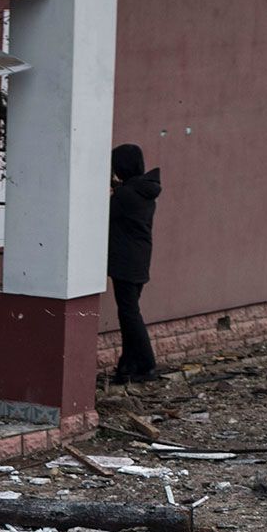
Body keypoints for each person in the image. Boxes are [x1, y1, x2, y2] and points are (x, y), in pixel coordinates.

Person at [107, 144, 160, 384]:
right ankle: (127, 366)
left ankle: (147, 364)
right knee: (128, 313)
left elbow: (105, 212)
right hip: (139, 259)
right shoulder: (144, 191)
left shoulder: (126, 195)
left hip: (126, 262)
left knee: (129, 314)